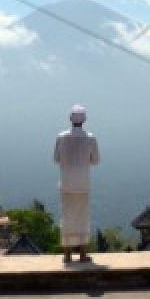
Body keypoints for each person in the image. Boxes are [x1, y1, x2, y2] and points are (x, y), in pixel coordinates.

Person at [53, 104, 100, 263]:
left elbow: (56, 158)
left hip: (66, 183)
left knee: (66, 217)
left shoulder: (61, 137)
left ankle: (66, 254)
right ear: (84, 120)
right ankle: (82, 253)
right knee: (82, 217)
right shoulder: (91, 138)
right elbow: (95, 160)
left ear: (70, 119)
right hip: (83, 183)